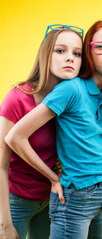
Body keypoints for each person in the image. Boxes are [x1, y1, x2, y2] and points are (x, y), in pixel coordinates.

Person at [5, 20, 102, 239]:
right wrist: (54, 178)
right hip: (50, 195)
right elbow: (14, 140)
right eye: (101, 46)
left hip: (90, 195)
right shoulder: (69, 89)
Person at [0, 24, 83, 239]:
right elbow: (1, 165)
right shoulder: (18, 98)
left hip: (53, 200)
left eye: (77, 53)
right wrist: (4, 224)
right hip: (16, 200)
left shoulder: (74, 101)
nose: (70, 58)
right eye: (60, 50)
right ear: (46, 54)